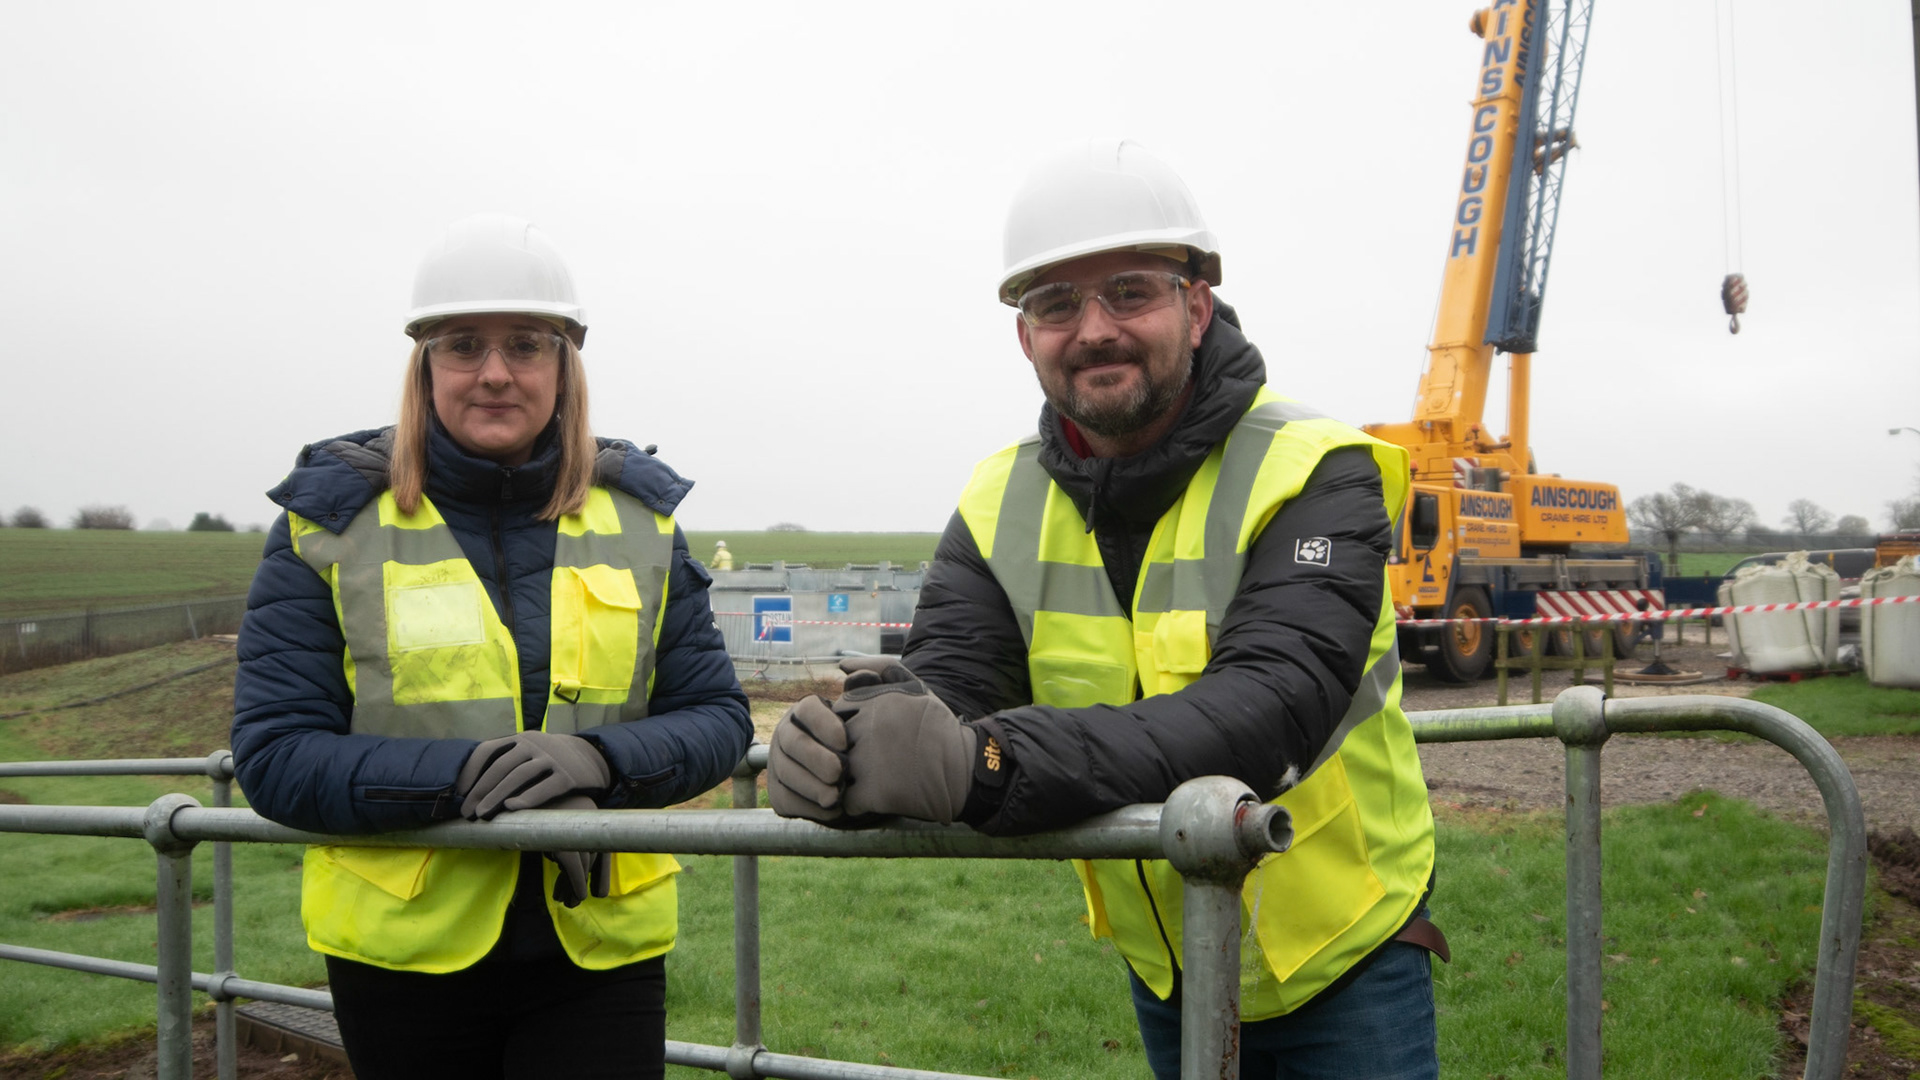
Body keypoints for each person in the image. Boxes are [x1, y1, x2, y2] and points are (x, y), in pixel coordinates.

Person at [765, 140, 1442, 1079]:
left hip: (1345, 952)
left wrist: (987, 764)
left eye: (1129, 292)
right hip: (1164, 960)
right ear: (1024, 335)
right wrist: (852, 743)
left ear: (1195, 306)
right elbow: (952, 686)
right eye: (1055, 303)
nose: (1093, 329)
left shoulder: (1318, 469)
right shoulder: (1000, 497)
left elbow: (1271, 704)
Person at [231, 212, 753, 1080]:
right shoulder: (328, 527)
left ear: (565, 364)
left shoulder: (644, 521)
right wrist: (469, 780)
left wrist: (597, 765)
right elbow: (276, 754)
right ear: (424, 364)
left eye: (528, 345)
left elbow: (717, 717)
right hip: (402, 964)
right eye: (464, 345)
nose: (497, 373)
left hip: (599, 954)